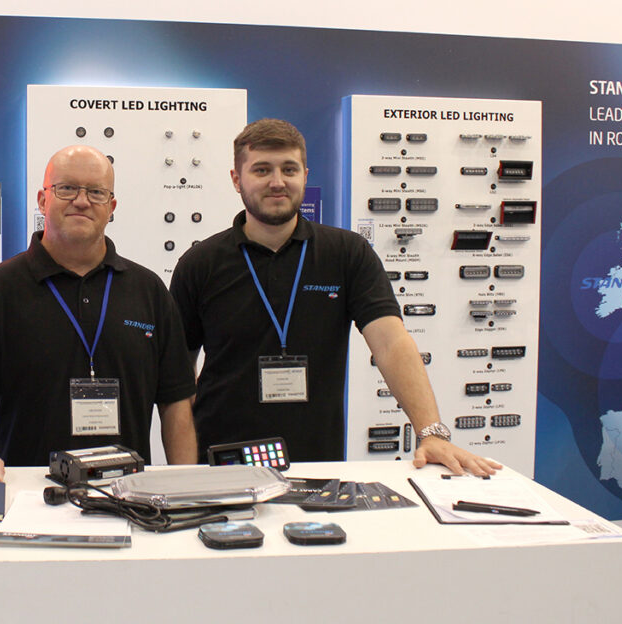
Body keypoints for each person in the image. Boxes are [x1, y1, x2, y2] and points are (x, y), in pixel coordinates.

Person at [170, 118, 501, 476]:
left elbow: (391, 343)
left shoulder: (347, 254)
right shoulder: (200, 263)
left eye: (289, 169)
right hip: (223, 462)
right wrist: (185, 475)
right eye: (261, 169)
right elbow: (178, 381)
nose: (277, 182)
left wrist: (431, 432)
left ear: (305, 175)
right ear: (237, 179)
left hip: (317, 461)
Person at [0, 144, 198, 477]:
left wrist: (187, 484)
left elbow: (176, 401)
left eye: (96, 192)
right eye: (67, 188)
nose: (82, 201)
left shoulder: (148, 290)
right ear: (43, 199)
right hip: (31, 493)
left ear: (111, 207)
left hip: (130, 495)